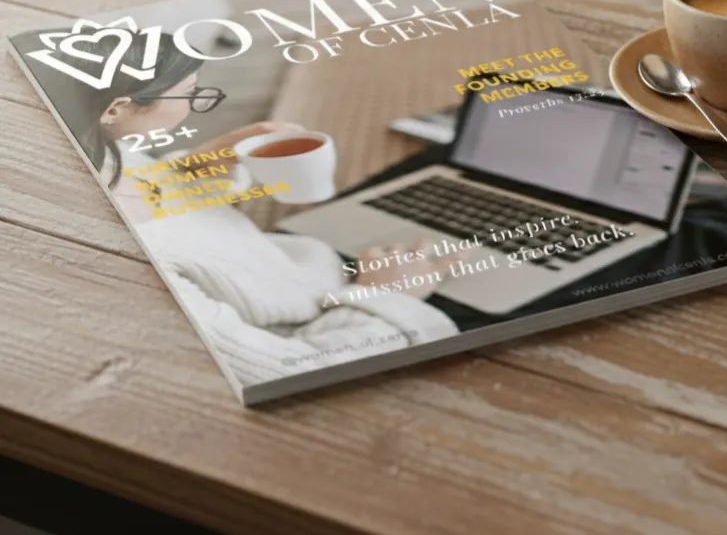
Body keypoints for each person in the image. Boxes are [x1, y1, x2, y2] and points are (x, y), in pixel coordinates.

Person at [34, 28, 457, 388]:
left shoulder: (85, 149)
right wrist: (384, 295)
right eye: (189, 95)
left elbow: (154, 196)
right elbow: (286, 368)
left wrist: (203, 163)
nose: (195, 100)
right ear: (117, 109)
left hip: (315, 273)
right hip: (346, 323)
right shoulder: (131, 264)